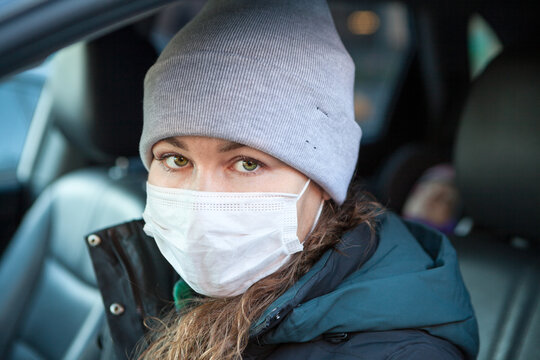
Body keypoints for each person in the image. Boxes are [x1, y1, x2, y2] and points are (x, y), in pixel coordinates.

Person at [87, 0, 479, 359]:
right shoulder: (148, 279)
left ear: (322, 181)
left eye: (247, 164)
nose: (201, 201)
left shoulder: (400, 353)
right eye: (175, 159)